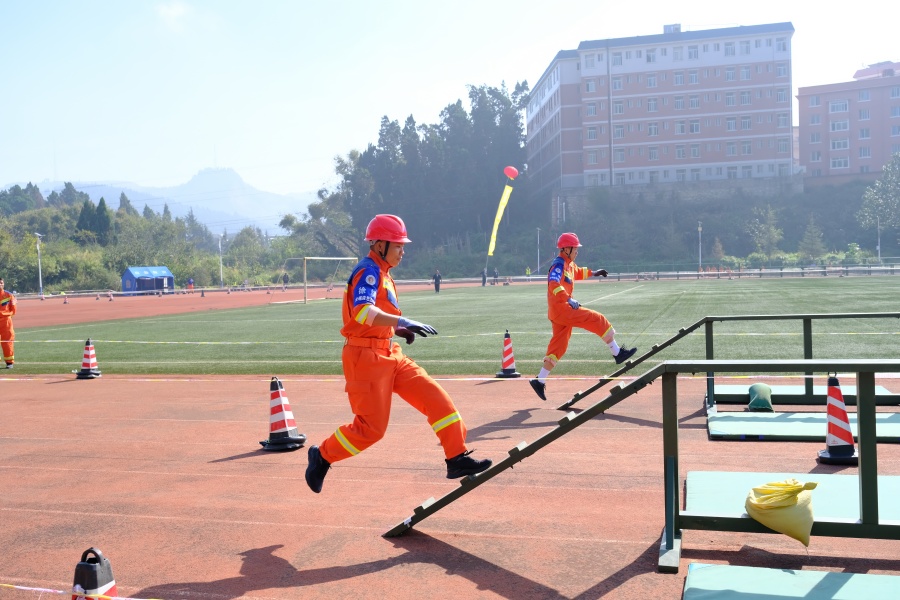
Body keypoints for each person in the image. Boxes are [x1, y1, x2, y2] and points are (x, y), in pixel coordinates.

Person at [305, 214, 492, 493]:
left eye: (403, 246)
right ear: (380, 245)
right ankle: (322, 456)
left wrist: (396, 330)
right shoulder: (368, 272)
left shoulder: (384, 274)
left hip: (389, 352)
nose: (403, 251)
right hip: (365, 358)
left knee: (436, 398)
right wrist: (402, 321)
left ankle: (456, 458)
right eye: (398, 246)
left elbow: (376, 316)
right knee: (370, 430)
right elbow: (363, 312)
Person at [528, 233, 637, 401]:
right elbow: (553, 284)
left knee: (559, 346)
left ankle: (539, 380)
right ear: (566, 249)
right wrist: (568, 299)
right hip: (563, 309)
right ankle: (617, 353)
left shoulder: (569, 265)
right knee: (597, 319)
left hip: (558, 313)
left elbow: (579, 272)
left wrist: (595, 273)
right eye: (575, 249)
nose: (577, 252)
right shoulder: (558, 265)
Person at [0, 277, 17, 368]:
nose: (0, 284)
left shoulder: (9, 295)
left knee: (7, 341)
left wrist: (8, 317)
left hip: (6, 321)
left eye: (1, 283)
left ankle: (9, 362)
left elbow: (13, 309)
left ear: (3, 284)